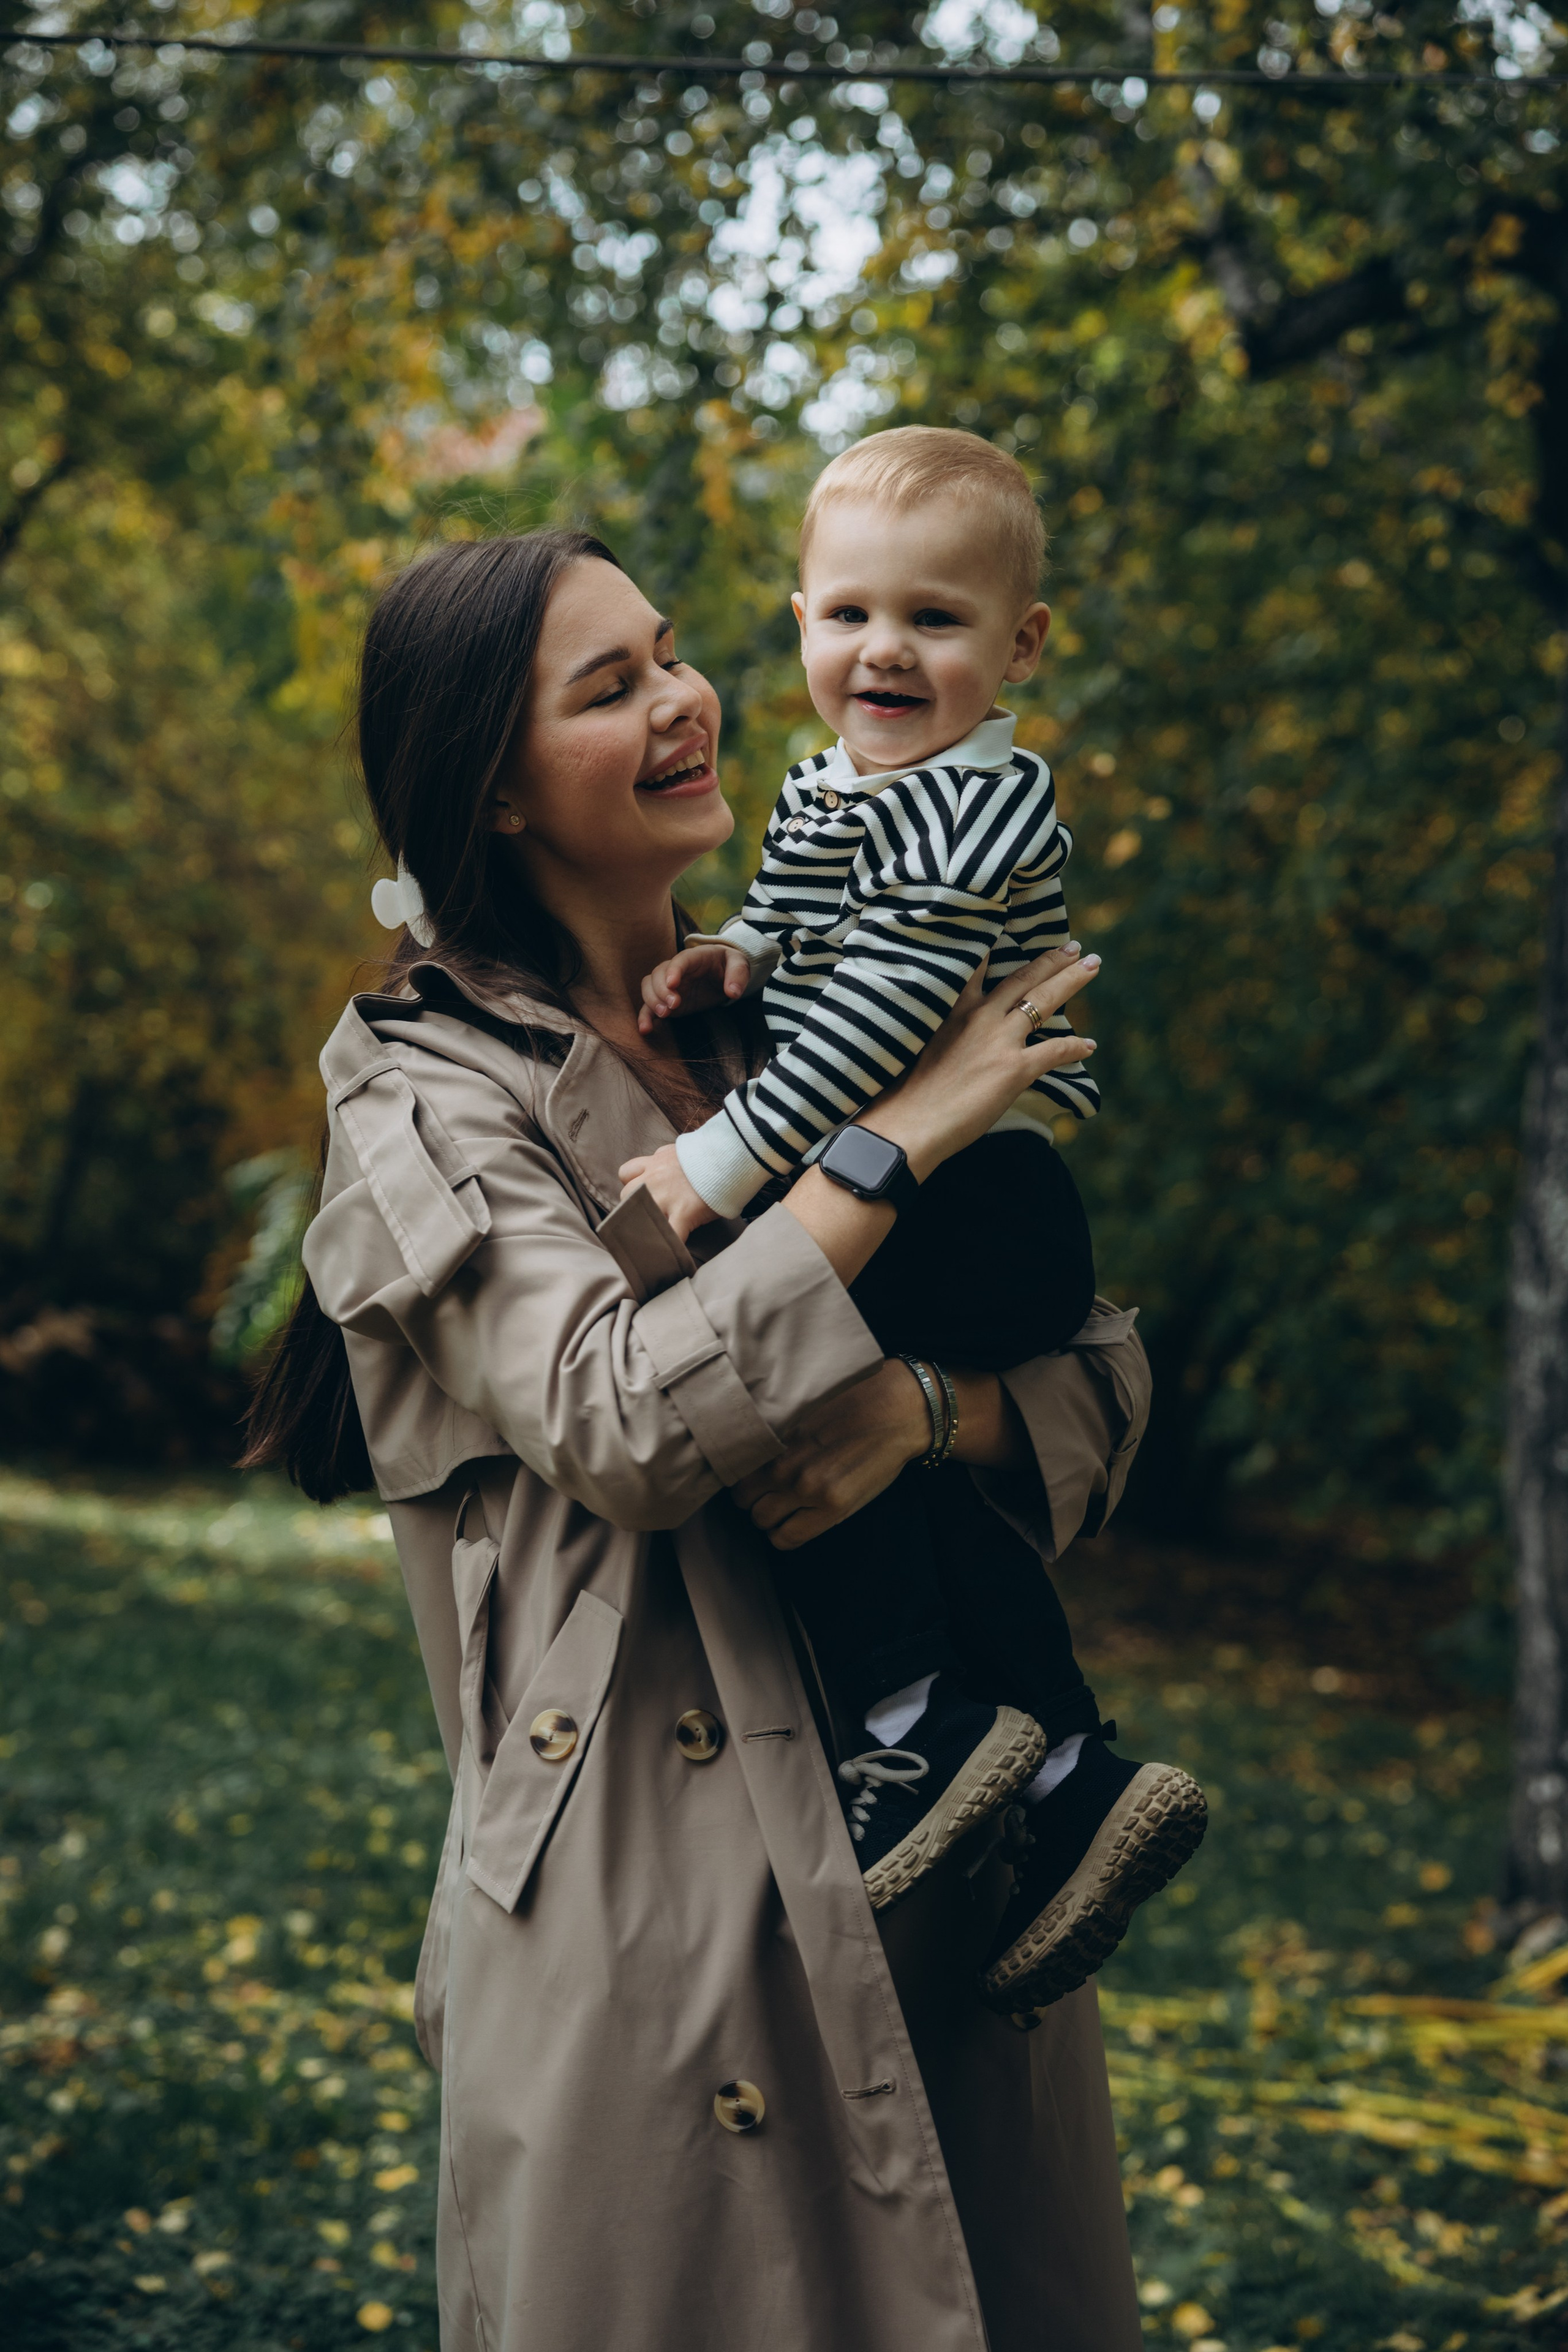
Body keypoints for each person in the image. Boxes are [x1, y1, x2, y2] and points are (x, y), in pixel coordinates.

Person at [244, 526, 1153, 2351]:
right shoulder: (421, 1086)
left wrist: (920, 1415)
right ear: (491, 789)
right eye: (610, 687)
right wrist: (897, 1152)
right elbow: (620, 1417)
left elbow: (1098, 1385)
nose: (684, 701)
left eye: (669, 652)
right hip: (656, 1927)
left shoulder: (801, 1006)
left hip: (948, 1870)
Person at [624, 429, 1204, 2009]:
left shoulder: (983, 806)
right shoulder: (842, 784)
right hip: (944, 1187)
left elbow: (886, 1002)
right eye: (850, 614)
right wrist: (738, 952)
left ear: (1018, 647)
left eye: (937, 621)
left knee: (781, 1378)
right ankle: (1069, 1765)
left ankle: (917, 1720)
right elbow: (812, 925)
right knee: (899, 1458)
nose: (886, 650)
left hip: (992, 1196)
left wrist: (724, 1162)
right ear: (801, 613)